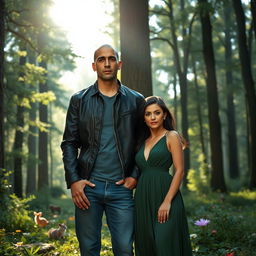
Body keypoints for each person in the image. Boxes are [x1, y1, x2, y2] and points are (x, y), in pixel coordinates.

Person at [61, 44, 144, 256]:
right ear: (94, 66)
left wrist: (134, 176)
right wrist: (74, 180)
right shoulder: (79, 100)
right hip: (88, 188)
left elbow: (143, 142)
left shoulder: (135, 100)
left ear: (119, 64)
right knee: (88, 249)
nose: (107, 63)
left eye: (111, 59)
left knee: (125, 249)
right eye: (101, 59)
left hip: (121, 189)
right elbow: (69, 142)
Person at [134, 96, 192, 256]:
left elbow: (179, 170)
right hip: (142, 198)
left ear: (164, 115)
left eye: (157, 113)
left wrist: (167, 202)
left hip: (166, 196)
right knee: (147, 244)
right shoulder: (142, 141)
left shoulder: (171, 136)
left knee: (166, 244)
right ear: (143, 118)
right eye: (148, 114)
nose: (152, 117)